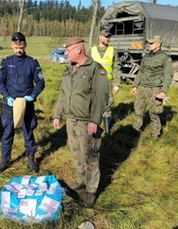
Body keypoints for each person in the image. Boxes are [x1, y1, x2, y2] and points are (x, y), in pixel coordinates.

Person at [52, 37, 109, 208]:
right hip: (71, 120)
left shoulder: (96, 69)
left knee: (90, 156)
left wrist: (95, 120)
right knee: (76, 153)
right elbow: (63, 94)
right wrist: (57, 114)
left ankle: (91, 191)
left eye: (68, 50)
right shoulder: (69, 70)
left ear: (78, 49)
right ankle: (80, 180)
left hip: (87, 121)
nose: (66, 54)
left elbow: (101, 97)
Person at [0, 32, 45, 173]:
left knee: (28, 132)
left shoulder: (32, 62)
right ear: (12, 45)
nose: (19, 50)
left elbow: (40, 82)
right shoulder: (6, 62)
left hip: (26, 104)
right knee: (7, 133)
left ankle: (31, 160)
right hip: (9, 105)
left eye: (21, 47)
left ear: (25, 45)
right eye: (16, 47)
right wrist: (6, 96)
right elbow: (0, 82)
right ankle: (5, 161)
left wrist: (33, 95)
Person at [131, 35, 173, 140]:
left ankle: (155, 135)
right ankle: (135, 131)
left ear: (158, 44)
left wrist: (163, 91)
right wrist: (135, 85)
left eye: (152, 43)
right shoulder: (146, 56)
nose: (149, 45)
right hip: (143, 87)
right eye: (149, 43)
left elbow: (168, 75)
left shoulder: (165, 57)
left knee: (154, 112)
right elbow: (141, 72)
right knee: (138, 110)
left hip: (155, 89)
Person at [90, 30, 121, 134]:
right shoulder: (92, 50)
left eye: (109, 37)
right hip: (94, 81)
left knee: (107, 104)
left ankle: (107, 132)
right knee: (93, 103)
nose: (108, 38)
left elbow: (116, 68)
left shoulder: (112, 50)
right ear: (99, 37)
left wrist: (116, 84)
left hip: (107, 82)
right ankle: (94, 128)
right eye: (106, 36)